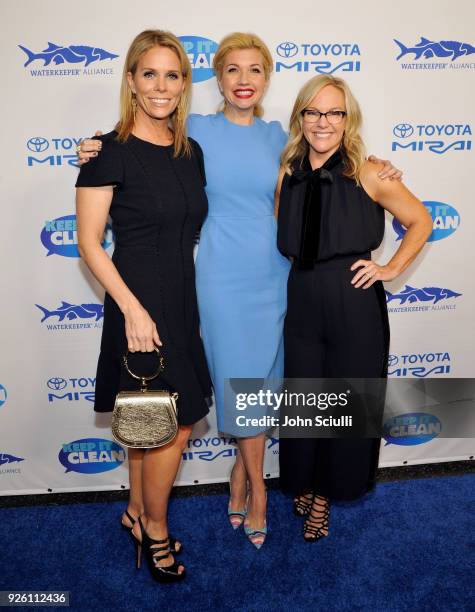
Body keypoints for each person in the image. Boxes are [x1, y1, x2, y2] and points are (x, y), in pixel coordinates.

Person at [77, 33, 402, 549]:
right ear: (215, 79)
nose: (244, 80)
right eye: (232, 70)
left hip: (279, 274)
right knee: (239, 379)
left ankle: (243, 472)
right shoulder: (192, 130)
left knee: (273, 384)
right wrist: (95, 147)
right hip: (221, 275)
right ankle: (256, 489)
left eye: (255, 70)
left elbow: (333, 161)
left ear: (267, 79)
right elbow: (139, 144)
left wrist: (379, 168)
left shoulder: (284, 137)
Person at [75, 29, 212, 581]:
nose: (161, 86)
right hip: (137, 304)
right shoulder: (107, 152)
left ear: (184, 84)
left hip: (181, 301)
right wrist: (131, 309)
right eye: (149, 74)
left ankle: (136, 513)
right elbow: (89, 243)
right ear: (131, 81)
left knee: (151, 423)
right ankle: (155, 529)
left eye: (172, 75)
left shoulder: (189, 151)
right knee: (167, 426)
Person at [276, 75, 432, 541]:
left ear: (348, 120)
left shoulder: (368, 171)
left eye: (334, 113)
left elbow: (420, 220)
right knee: (307, 402)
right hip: (303, 298)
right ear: (300, 117)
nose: (323, 122)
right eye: (314, 112)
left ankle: (324, 495)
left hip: (354, 301)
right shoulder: (288, 173)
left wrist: (389, 269)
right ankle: (306, 479)